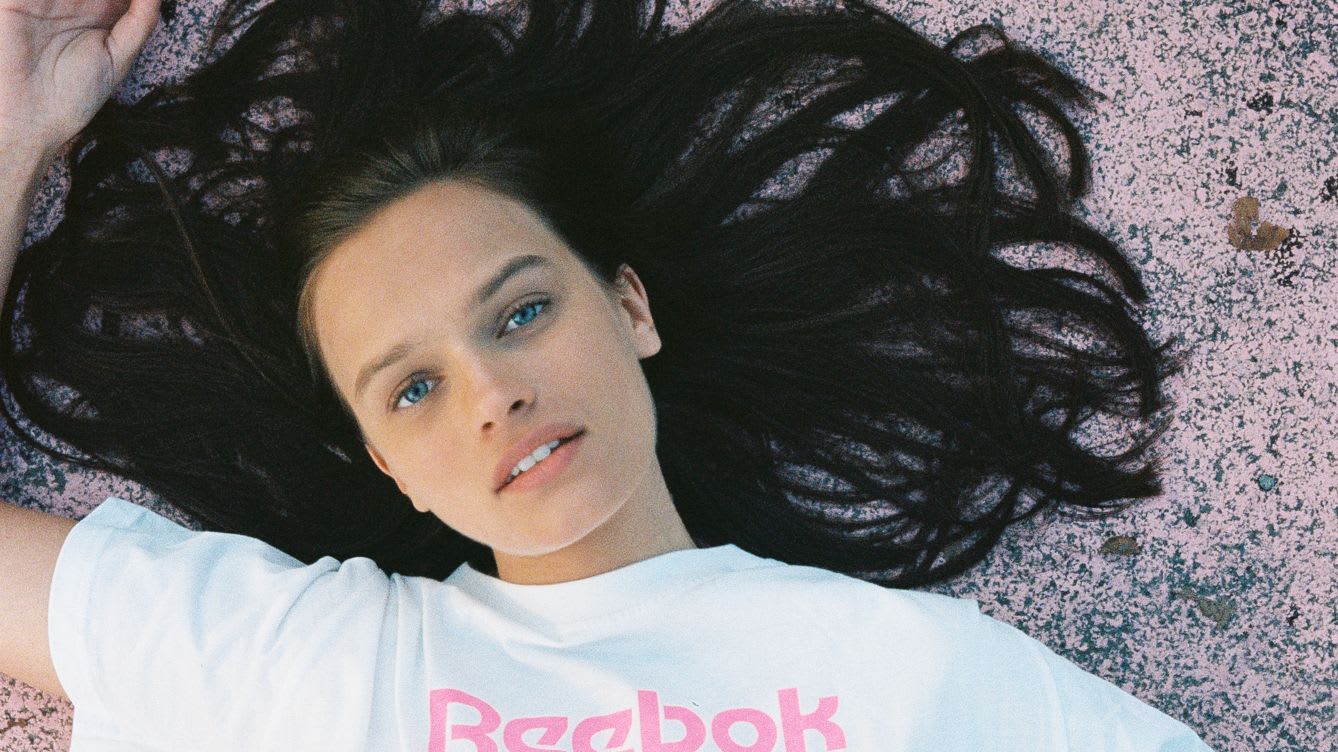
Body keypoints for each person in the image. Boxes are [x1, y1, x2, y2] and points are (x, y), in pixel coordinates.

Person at [0, 0, 1212, 749]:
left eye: (521, 311)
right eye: (412, 388)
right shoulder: (321, 663)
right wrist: (13, 140)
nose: (492, 394)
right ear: (385, 463)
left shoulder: (910, 669)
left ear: (629, 307)